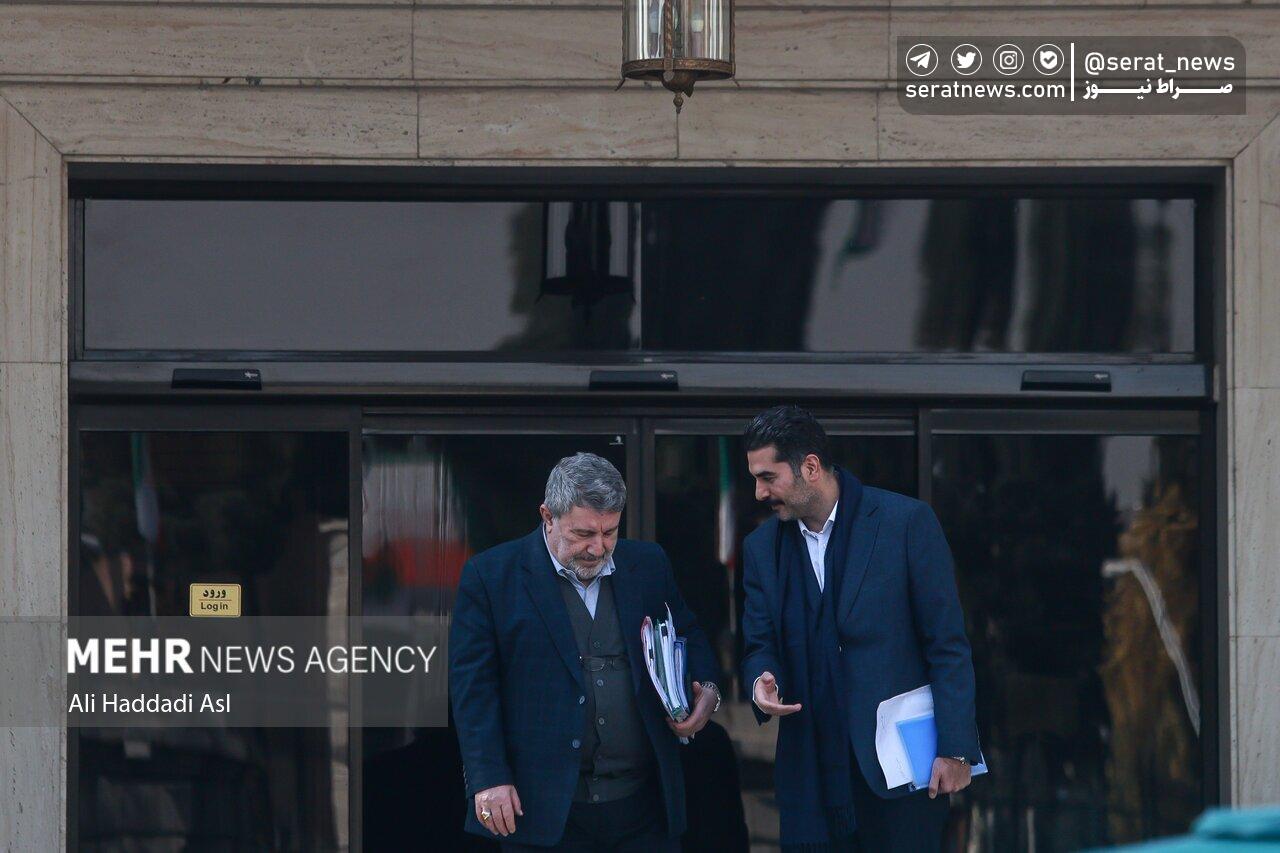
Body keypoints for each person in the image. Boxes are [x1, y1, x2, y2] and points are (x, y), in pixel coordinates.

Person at [449, 452, 722, 852]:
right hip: (543, 808)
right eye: (583, 534)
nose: (598, 548)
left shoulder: (648, 564)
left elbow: (689, 632)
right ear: (547, 516)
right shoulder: (491, 576)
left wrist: (709, 690)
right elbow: (473, 690)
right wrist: (488, 776)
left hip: (643, 806)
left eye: (610, 532)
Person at [739, 405, 981, 852]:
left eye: (768, 477)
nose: (759, 493)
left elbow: (947, 645)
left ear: (810, 467)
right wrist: (760, 681)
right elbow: (758, 643)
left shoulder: (905, 523)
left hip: (900, 777)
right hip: (809, 780)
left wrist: (957, 749)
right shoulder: (760, 549)